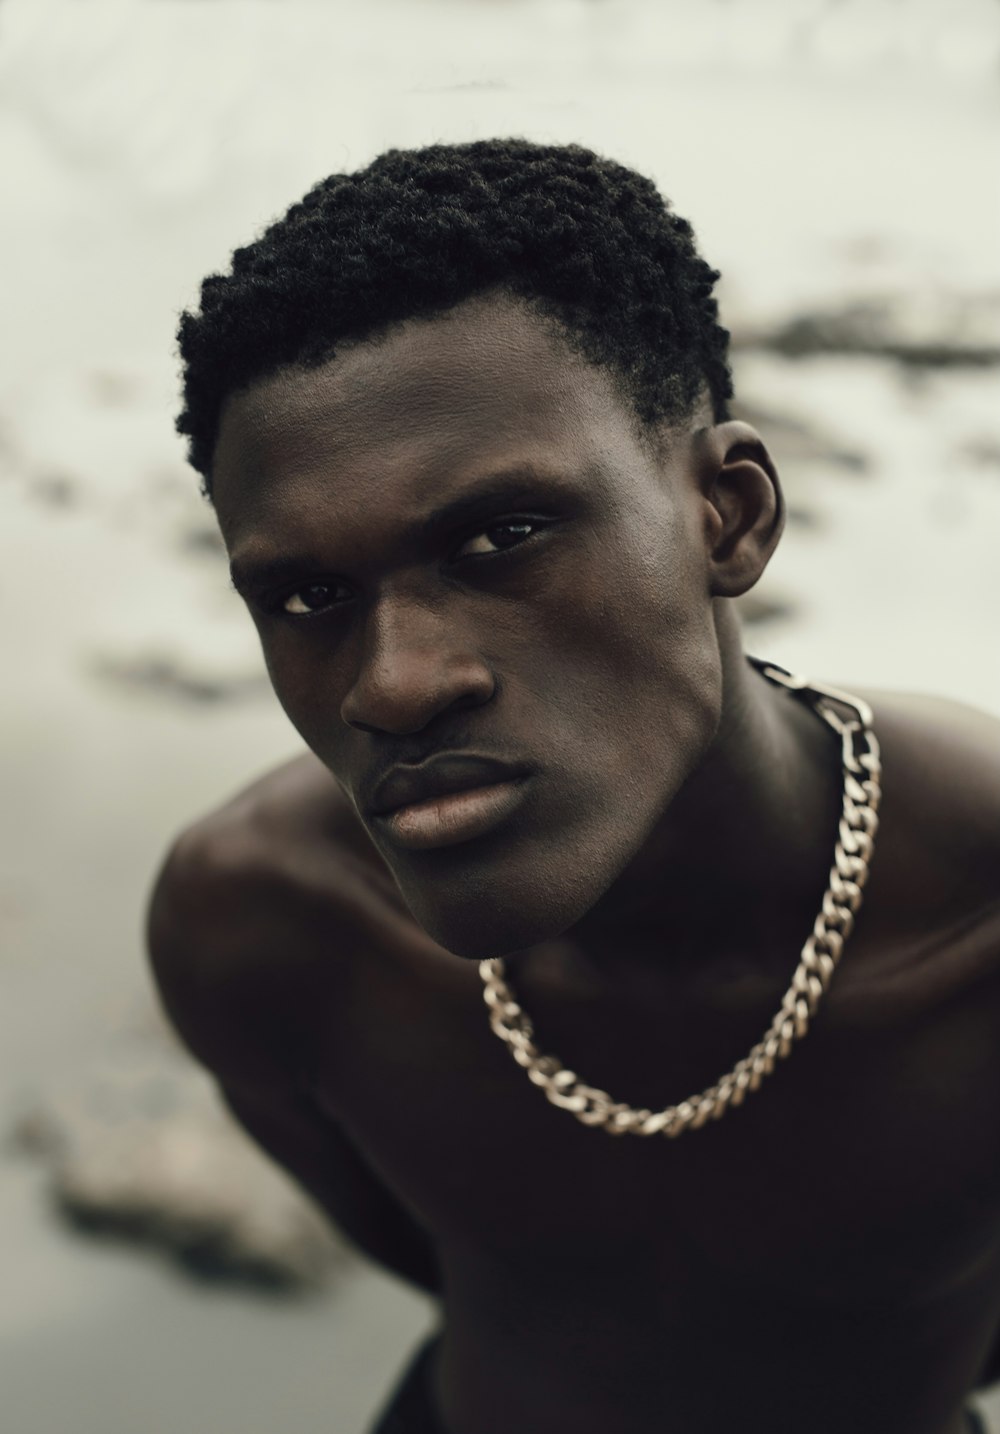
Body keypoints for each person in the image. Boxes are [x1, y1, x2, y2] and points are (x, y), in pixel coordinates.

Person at [148, 139, 1000, 1434]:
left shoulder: (977, 931)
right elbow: (420, 1253)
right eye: (310, 596)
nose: (394, 683)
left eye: (501, 538)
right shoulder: (267, 923)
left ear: (728, 514)